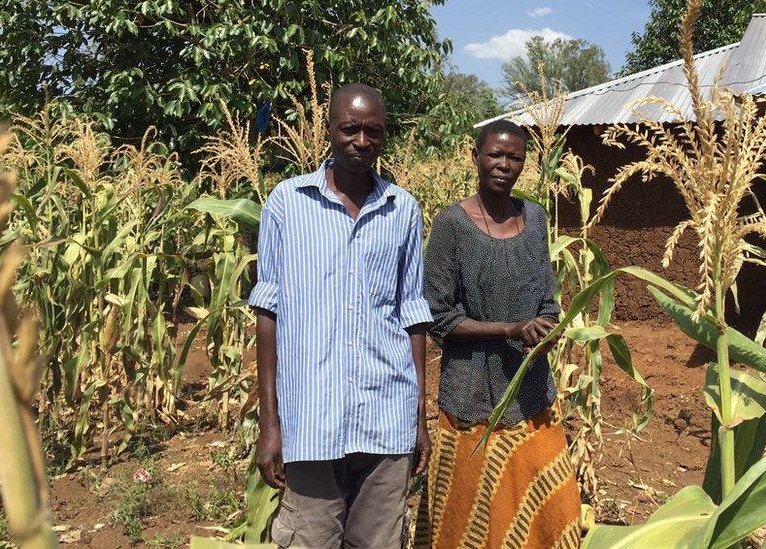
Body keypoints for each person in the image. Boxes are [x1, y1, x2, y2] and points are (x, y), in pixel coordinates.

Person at [249, 83, 432, 549]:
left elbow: (412, 316)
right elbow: (268, 313)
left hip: (385, 414)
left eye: (373, 131)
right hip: (311, 418)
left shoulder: (403, 210)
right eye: (350, 128)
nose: (361, 141)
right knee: (309, 538)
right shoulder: (287, 204)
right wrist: (270, 423)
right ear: (329, 130)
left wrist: (418, 419)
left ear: (384, 136)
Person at [415, 119, 581, 549]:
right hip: (470, 395)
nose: (504, 164)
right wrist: (509, 328)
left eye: (515, 157)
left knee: (550, 508)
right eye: (495, 154)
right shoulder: (451, 224)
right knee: (467, 516)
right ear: (475, 157)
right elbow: (438, 314)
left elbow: (547, 297)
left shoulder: (536, 218)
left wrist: (546, 328)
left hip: (530, 393)